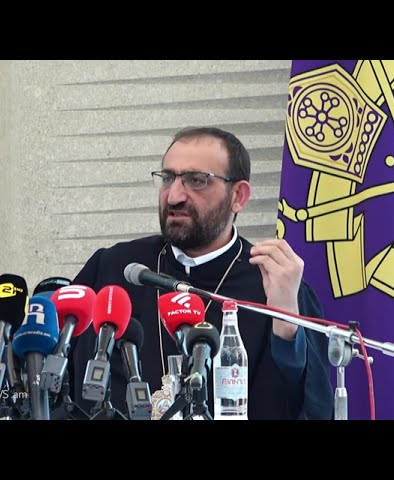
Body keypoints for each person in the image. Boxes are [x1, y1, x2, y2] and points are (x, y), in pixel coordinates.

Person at [68, 126, 333, 420]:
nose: (174, 196)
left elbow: (314, 408)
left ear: (238, 196)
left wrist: (286, 324)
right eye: (168, 178)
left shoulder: (274, 284)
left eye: (196, 180)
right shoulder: (116, 266)